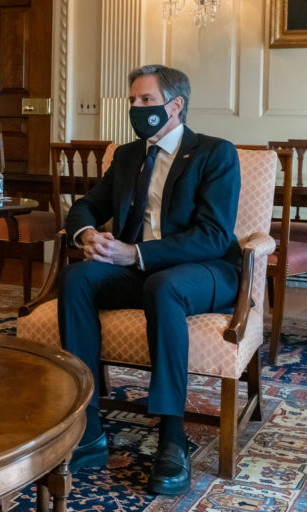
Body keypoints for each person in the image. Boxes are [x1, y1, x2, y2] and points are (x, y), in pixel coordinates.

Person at [58, 65, 240, 495]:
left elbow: (213, 235)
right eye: (133, 101)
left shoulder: (215, 153)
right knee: (77, 278)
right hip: (138, 269)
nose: (136, 109)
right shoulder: (126, 156)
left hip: (205, 271)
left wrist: (135, 253)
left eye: (146, 101)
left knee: (164, 286)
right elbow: (85, 205)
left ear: (175, 105)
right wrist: (88, 235)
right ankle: (88, 426)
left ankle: (172, 436)